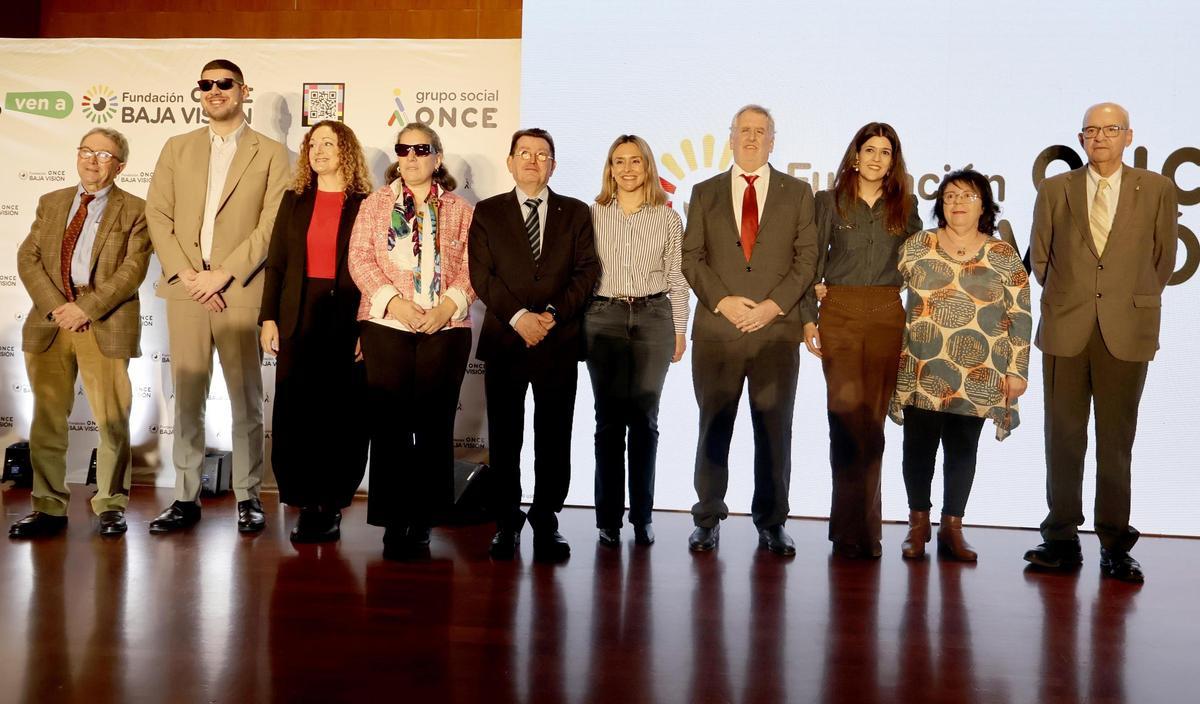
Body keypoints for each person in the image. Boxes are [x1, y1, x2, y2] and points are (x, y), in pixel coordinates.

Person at [1024, 103, 1177, 583]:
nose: (1100, 138)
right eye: (1091, 131)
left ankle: (1115, 544)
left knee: (1117, 442)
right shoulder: (1055, 189)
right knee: (1062, 438)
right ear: (1081, 137)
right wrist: (1075, 298)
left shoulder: (1156, 189)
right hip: (1066, 326)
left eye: (1111, 129)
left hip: (1126, 329)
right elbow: (1042, 258)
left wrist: (1120, 301)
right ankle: (1061, 540)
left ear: (1129, 136)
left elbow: (1163, 258)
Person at [144, 58, 289, 534]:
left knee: (246, 398)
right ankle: (186, 497)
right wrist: (189, 275)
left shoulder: (270, 153)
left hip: (239, 290)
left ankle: (249, 496)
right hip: (187, 289)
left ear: (243, 90)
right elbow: (158, 216)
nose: (214, 91)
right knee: (187, 397)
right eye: (205, 84)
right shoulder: (176, 147)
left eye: (223, 84)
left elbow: (272, 226)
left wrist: (223, 274)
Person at [681, 105, 818, 555]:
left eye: (761, 132)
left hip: (775, 334)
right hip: (718, 333)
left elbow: (806, 260)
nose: (753, 138)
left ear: (773, 141)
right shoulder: (704, 192)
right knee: (712, 428)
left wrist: (773, 307)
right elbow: (691, 258)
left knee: (775, 432)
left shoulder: (798, 193)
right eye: (745, 131)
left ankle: (772, 521)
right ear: (731, 137)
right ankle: (707, 516)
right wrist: (722, 301)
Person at [9, 128, 150, 539]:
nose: (92, 160)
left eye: (104, 156)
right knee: (48, 420)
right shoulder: (51, 202)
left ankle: (110, 503)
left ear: (120, 167)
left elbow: (132, 271)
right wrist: (58, 307)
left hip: (103, 321)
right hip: (51, 320)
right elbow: (27, 256)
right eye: (87, 151)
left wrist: (84, 309)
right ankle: (49, 506)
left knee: (112, 420)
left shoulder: (137, 209)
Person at [468, 127, 600, 562]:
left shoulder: (576, 212)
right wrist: (521, 318)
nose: (532, 160)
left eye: (542, 154)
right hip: (507, 339)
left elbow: (586, 273)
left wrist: (552, 316)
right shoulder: (487, 212)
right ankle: (507, 521)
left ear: (553, 165)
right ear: (509, 161)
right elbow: (482, 276)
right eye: (523, 153)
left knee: (554, 435)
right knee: (506, 438)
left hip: (558, 340)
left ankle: (546, 518)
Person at [888, 169, 1031, 561]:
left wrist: (1017, 369)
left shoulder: (1002, 254)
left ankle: (953, 528)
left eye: (967, 196)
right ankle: (918, 527)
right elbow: (883, 288)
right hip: (923, 364)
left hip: (980, 371)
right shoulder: (919, 244)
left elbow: (1020, 313)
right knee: (917, 448)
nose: (957, 203)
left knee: (962, 448)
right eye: (950, 196)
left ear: (984, 204)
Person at [348, 123, 476, 560]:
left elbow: (474, 268)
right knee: (390, 428)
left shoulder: (461, 209)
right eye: (404, 149)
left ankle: (423, 519)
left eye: (422, 149)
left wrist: (446, 308)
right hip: (388, 325)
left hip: (446, 327)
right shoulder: (375, 204)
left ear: (438, 157)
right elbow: (360, 259)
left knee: (435, 425)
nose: (412, 156)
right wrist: (396, 304)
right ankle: (392, 520)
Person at [800, 122, 924, 559]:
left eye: (885, 152)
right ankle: (845, 528)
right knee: (845, 422)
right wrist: (807, 318)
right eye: (869, 150)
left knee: (873, 427)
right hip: (840, 315)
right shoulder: (827, 202)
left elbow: (922, 267)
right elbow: (811, 261)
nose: (876, 158)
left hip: (888, 315)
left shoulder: (906, 207)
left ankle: (866, 530)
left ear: (894, 161)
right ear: (854, 156)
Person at [259, 120, 373, 543]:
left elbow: (374, 268)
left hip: (347, 315)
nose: (319, 150)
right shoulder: (294, 201)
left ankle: (332, 501)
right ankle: (306, 501)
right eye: (313, 143)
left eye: (329, 143)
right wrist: (268, 317)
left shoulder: (367, 203)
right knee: (298, 410)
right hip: (298, 312)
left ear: (347, 151)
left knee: (341, 411)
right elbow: (276, 263)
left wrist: (367, 324)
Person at [587, 135, 688, 548]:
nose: (627, 169)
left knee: (645, 421)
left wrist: (681, 329)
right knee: (608, 422)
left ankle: (642, 516)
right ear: (609, 169)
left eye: (635, 162)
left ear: (648, 167)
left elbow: (678, 278)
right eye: (618, 162)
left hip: (653, 318)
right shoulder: (592, 214)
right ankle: (608, 519)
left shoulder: (667, 218)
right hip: (604, 317)